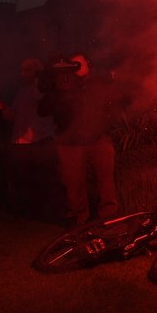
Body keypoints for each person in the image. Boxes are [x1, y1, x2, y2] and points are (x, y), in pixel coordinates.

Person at [39, 53, 120, 225]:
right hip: (70, 144)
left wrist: (107, 126)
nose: (75, 67)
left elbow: (115, 101)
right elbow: (43, 110)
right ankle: (80, 220)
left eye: (79, 64)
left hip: (98, 140)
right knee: (74, 184)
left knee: (106, 180)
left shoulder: (98, 83)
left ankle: (109, 217)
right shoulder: (62, 85)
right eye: (72, 64)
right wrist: (56, 89)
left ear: (88, 65)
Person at [0, 58, 62, 218]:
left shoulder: (42, 90)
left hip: (39, 142)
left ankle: (47, 212)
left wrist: (41, 80)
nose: (22, 74)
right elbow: (14, 116)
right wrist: (3, 108)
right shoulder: (22, 91)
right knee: (25, 181)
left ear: (36, 72)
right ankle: (28, 212)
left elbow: (42, 99)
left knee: (43, 180)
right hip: (22, 143)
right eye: (21, 70)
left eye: (26, 70)